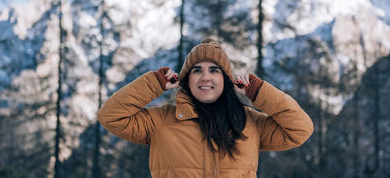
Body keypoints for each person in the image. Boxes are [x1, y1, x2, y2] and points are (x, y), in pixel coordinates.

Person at [97, 38, 313, 177]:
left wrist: (259, 93)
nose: (205, 77)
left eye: (214, 70)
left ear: (226, 80)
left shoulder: (249, 122)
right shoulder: (160, 121)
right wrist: (154, 84)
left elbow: (300, 130)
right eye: (197, 70)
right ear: (187, 80)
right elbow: (110, 116)